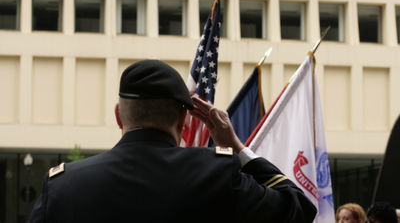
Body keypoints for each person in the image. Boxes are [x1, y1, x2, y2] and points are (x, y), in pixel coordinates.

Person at [29, 59, 317, 223]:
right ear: (183, 120)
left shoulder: (64, 185)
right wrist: (238, 148)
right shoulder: (215, 174)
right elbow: (299, 210)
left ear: (119, 116)